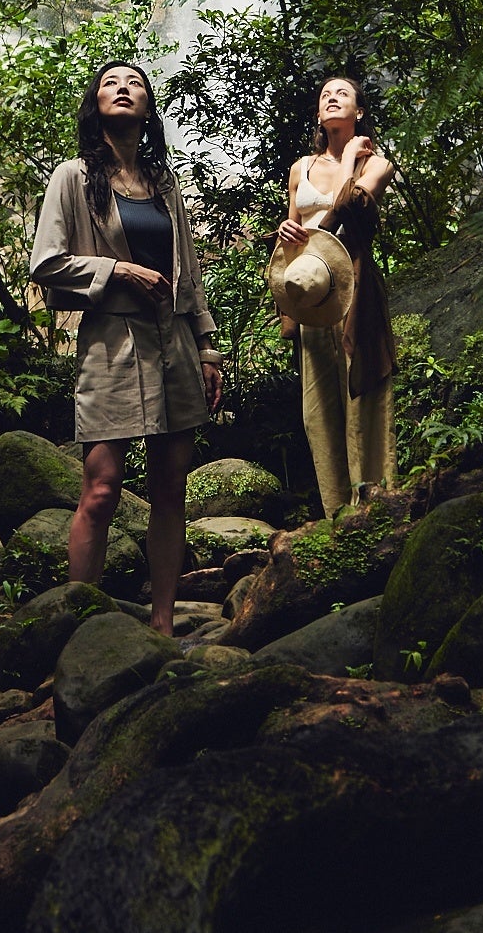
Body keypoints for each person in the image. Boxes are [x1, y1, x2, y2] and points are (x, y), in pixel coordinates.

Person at [28, 61, 225, 634]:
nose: (123, 88)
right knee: (101, 487)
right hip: (110, 341)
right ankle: (78, 626)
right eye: (111, 82)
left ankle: (162, 625)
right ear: (95, 102)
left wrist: (207, 347)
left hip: (174, 342)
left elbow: (188, 272)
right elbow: (45, 262)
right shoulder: (74, 176)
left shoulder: (165, 184)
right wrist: (116, 270)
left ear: (148, 107)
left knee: (170, 488)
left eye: (135, 82)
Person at [273, 76, 397, 513]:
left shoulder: (376, 164)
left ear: (359, 112)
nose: (331, 98)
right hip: (312, 294)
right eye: (325, 94)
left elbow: (348, 210)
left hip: (355, 290)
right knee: (319, 407)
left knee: (362, 398)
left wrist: (347, 162)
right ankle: (336, 514)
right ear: (318, 114)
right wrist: (286, 232)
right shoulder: (300, 168)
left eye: (342, 93)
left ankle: (376, 506)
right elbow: (294, 236)